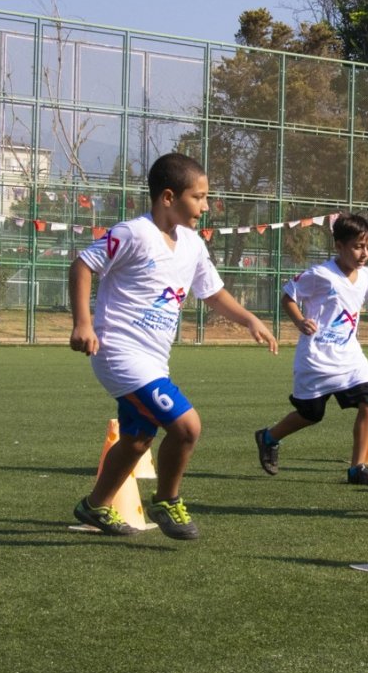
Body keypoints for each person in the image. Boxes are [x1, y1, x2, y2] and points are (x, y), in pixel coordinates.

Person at [69, 152, 278, 539]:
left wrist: (249, 319)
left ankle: (94, 506)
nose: (206, 206)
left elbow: (212, 293)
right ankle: (167, 500)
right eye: (198, 197)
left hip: (154, 360)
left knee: (136, 441)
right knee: (186, 427)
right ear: (168, 197)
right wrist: (83, 322)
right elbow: (83, 264)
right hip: (118, 353)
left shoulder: (193, 245)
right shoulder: (133, 233)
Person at [253, 213, 368, 486]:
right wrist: (300, 320)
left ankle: (357, 468)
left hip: (350, 357)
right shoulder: (321, 274)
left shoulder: (365, 276)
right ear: (339, 246)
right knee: (310, 414)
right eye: (358, 247)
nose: (364, 254)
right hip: (317, 359)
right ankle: (268, 437)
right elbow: (289, 296)